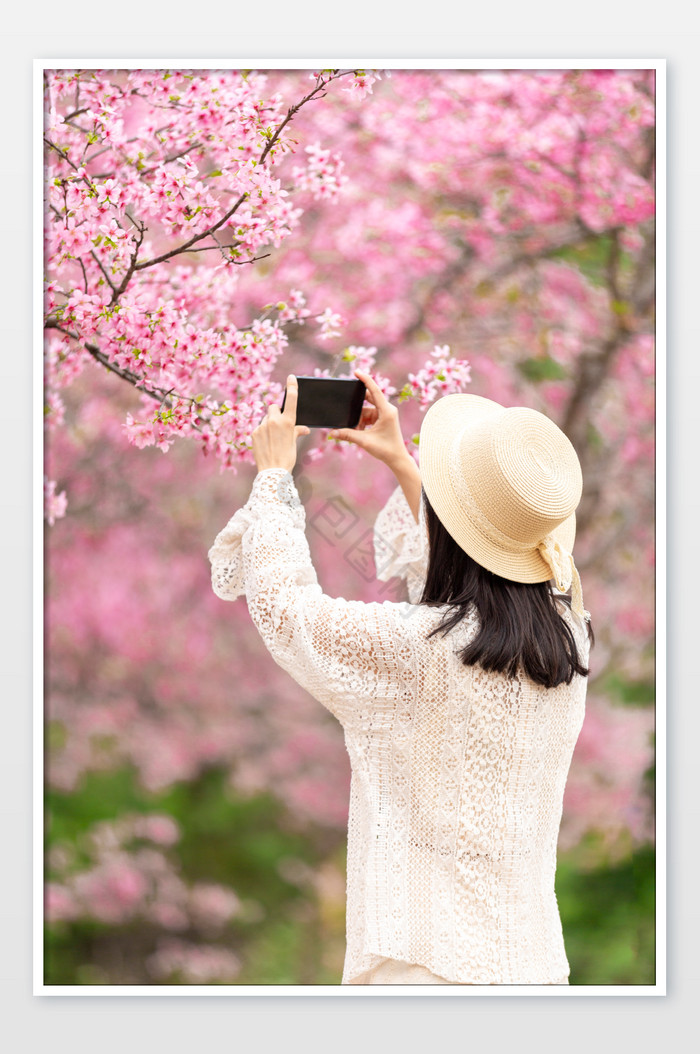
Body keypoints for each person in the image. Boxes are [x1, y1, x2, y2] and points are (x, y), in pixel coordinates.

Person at [208, 370, 593, 986]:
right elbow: (473, 573)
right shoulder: (571, 637)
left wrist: (274, 480)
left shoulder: (421, 649)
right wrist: (400, 462)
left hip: (422, 969)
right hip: (533, 971)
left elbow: (290, 614)